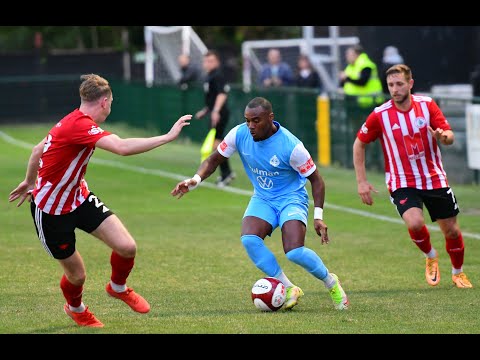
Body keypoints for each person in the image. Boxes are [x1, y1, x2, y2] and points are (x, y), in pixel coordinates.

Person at [8, 73, 192, 328]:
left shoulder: (74, 120)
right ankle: (76, 308)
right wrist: (168, 137)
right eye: (112, 103)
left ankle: (117, 287)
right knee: (77, 275)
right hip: (51, 211)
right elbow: (122, 147)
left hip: (79, 198)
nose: (110, 108)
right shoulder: (78, 125)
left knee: (127, 247)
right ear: (104, 102)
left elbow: (37, 149)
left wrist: (29, 180)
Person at [171, 96, 349, 311]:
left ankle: (332, 283)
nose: (251, 126)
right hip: (263, 198)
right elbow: (213, 159)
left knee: (293, 251)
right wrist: (195, 180)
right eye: (247, 120)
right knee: (249, 240)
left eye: (256, 121)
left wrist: (318, 216)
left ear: (270, 118)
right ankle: (289, 287)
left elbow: (316, 180)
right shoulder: (239, 134)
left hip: (291, 199)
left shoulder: (291, 146)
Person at [352, 64, 473, 289]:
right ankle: (431, 255)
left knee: (452, 230)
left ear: (410, 84)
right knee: (415, 223)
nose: (395, 89)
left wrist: (441, 137)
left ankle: (458, 273)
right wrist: (362, 182)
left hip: (433, 178)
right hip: (402, 181)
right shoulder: (380, 115)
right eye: (391, 85)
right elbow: (359, 144)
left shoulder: (427, 106)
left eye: (399, 84)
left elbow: (449, 136)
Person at [195, 49, 235, 187]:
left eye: (211, 61)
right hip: (214, 113)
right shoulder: (210, 76)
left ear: (217, 62)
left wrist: (216, 111)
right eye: (206, 61)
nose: (207, 63)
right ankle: (226, 173)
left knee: (217, 145)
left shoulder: (218, 75)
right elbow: (212, 97)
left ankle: (227, 174)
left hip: (220, 114)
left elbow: (222, 94)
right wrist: (206, 110)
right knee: (217, 144)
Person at [339, 44, 384, 109]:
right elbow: (345, 82)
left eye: (349, 54)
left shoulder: (366, 65)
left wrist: (347, 78)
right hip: (357, 103)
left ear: (357, 54)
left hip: (371, 101)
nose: (347, 57)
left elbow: (363, 82)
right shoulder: (350, 66)